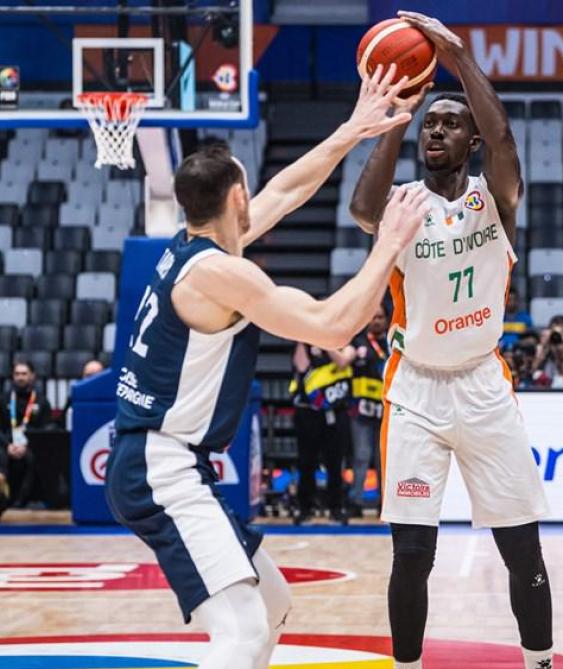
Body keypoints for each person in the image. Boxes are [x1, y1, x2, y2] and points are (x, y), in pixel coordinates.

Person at [104, 65, 427, 669]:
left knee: (271, 604)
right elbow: (335, 325)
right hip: (161, 465)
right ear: (234, 197)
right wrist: (389, 243)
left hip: (167, 461)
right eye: (249, 190)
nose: (258, 196)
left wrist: (353, 130)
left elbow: (285, 192)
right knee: (243, 630)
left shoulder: (197, 246)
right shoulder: (222, 274)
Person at [348, 13, 555, 668]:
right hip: (416, 391)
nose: (437, 129)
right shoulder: (402, 203)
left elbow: (506, 140)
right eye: (430, 122)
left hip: (484, 385)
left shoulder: (497, 197)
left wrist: (460, 59)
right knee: (411, 553)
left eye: (449, 122)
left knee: (523, 550)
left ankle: (541, 661)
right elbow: (361, 209)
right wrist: (400, 111)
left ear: (470, 141)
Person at [290, 342, 354, 524]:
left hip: (336, 412)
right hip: (308, 412)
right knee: (306, 463)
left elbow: (342, 361)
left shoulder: (346, 342)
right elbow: (301, 366)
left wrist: (324, 342)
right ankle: (305, 509)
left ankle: (335, 508)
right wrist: (304, 338)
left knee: (335, 463)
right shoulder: (303, 342)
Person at [0, 360, 53, 508]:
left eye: (24, 374)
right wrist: (8, 445)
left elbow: (46, 430)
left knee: (33, 458)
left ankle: (22, 500)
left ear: (32, 376)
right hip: (7, 444)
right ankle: (2, 499)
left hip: (31, 446)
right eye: (17, 374)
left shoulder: (42, 401)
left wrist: (26, 446)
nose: (20, 377)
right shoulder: (2, 399)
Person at [349, 303, 390, 516]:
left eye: (380, 317)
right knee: (361, 456)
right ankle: (355, 502)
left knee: (383, 459)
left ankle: (386, 504)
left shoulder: (393, 342)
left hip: (385, 411)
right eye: (373, 317)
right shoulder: (358, 342)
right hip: (361, 410)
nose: (377, 321)